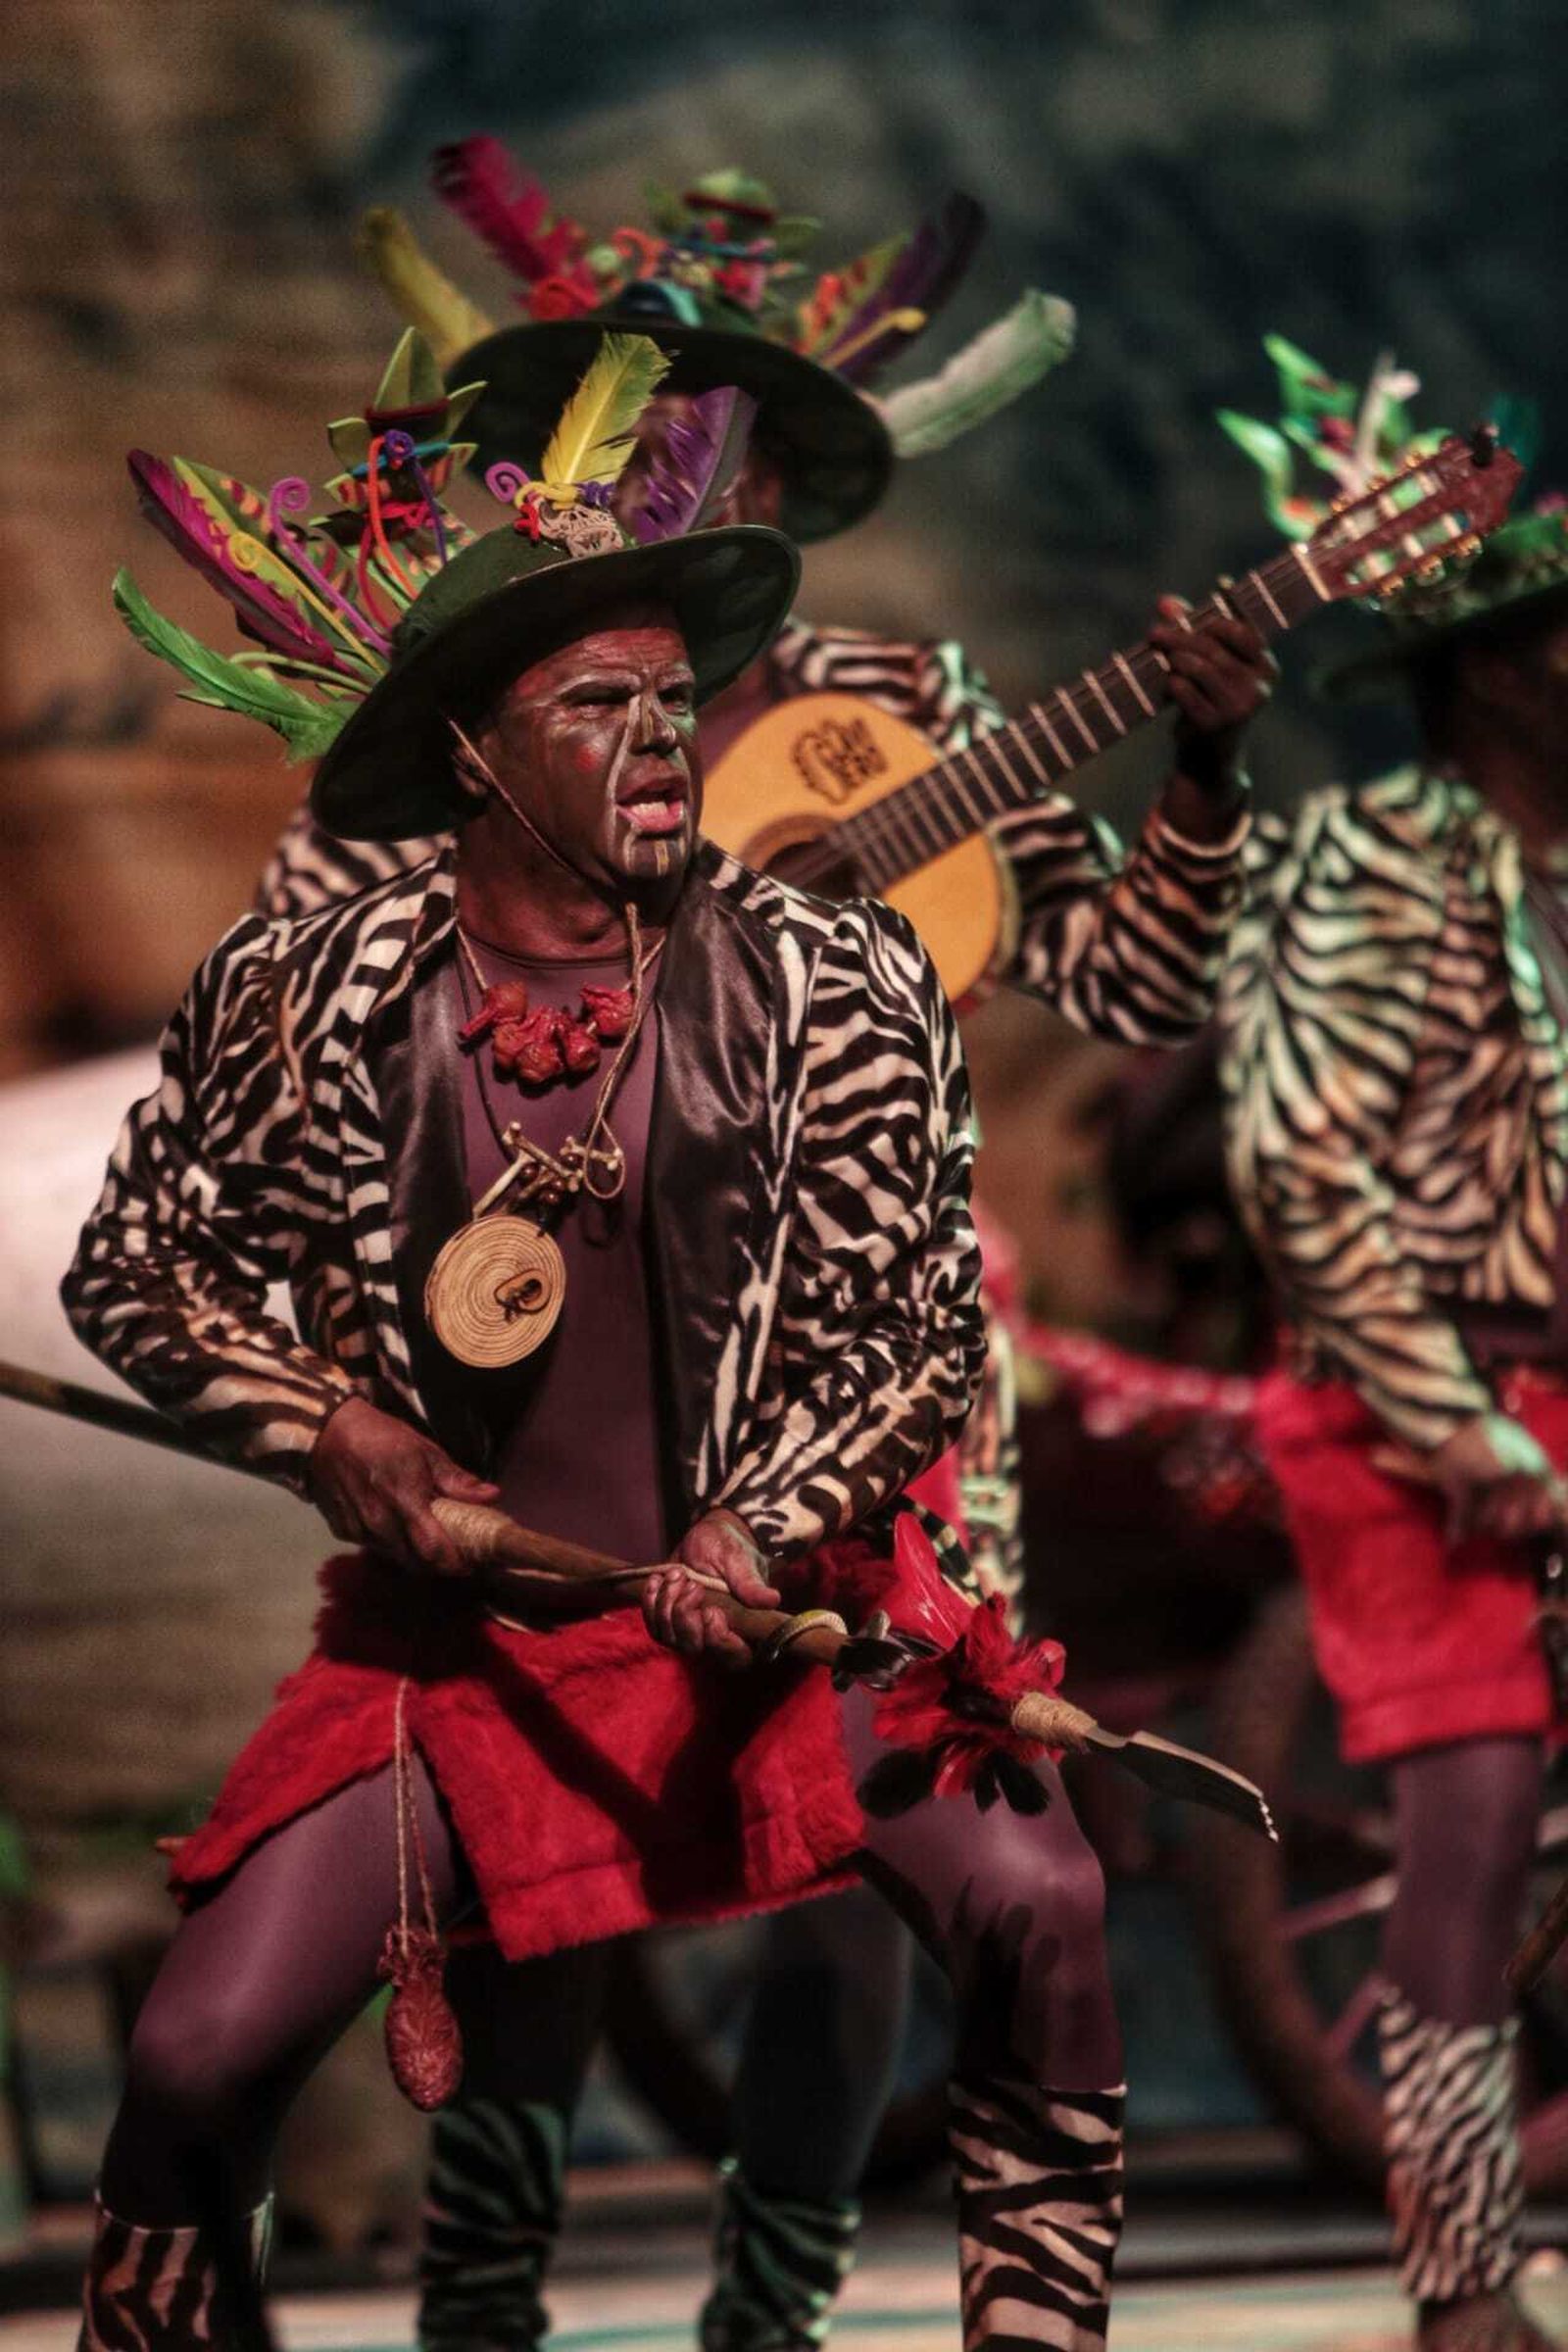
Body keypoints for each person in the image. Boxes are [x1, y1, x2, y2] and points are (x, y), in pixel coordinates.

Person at [252, 159, 1276, 2352]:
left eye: (715, 416)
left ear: (778, 469)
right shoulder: (477, 714)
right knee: (546, 1865)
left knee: (853, 1879)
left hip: (874, 1373)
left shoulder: (904, 687)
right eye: (628, 413)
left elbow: (1119, 984)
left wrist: (1198, 759)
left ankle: (772, 2311)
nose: (670, 444)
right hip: (557, 1376)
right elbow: (318, 997)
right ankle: (482, 2305)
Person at [1220, 342, 1568, 2352]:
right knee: (1467, 1816)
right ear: (1497, 669)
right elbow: (1298, 1168)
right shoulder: (1363, 864)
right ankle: (1456, 2275)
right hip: (1412, 1389)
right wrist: (1448, 1420)